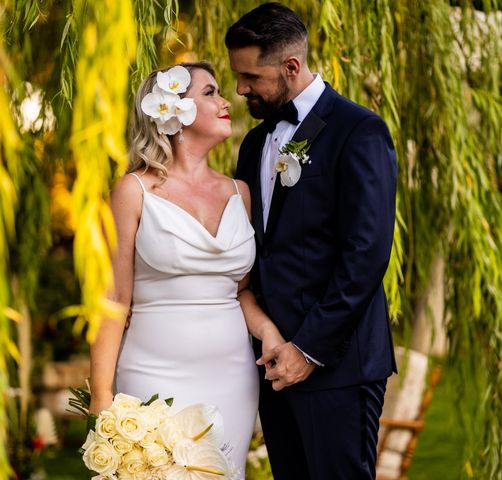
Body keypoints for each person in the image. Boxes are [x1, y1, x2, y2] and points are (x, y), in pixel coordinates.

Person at [226, 3, 398, 479]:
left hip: (337, 366)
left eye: (249, 76)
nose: (240, 88)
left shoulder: (359, 131)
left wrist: (308, 349)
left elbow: (365, 254)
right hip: (272, 363)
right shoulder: (254, 144)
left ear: (291, 67)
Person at [87, 62, 282, 476]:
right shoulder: (132, 191)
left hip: (232, 376)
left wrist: (267, 331)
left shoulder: (239, 192)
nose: (227, 100)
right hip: (153, 375)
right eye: (210, 92)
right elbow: (114, 300)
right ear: (172, 111)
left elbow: (241, 290)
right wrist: (101, 395)